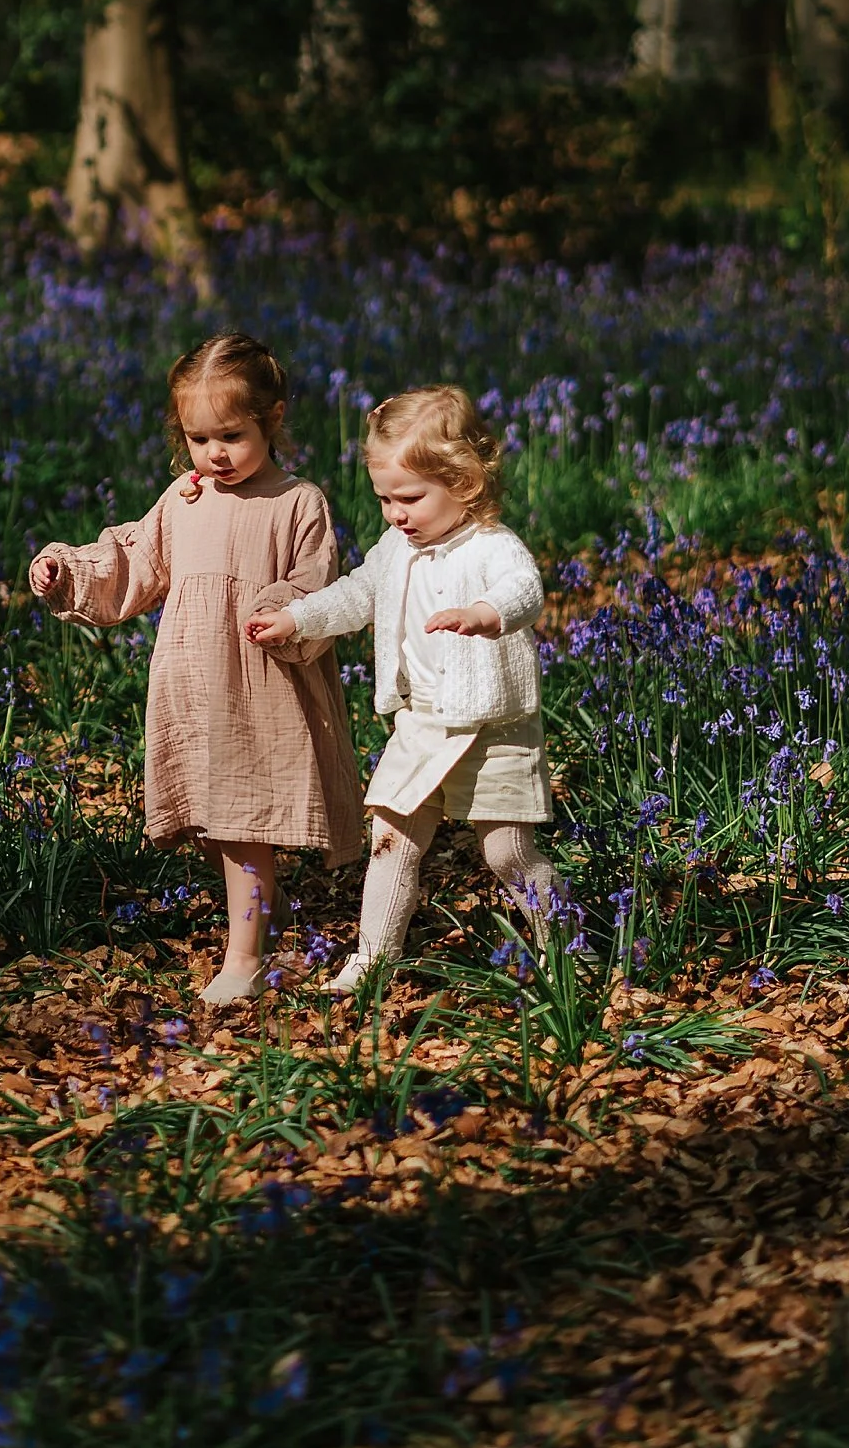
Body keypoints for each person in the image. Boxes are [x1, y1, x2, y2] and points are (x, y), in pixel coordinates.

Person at [28, 333, 362, 1007]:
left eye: (232, 436)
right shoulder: (185, 499)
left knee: (241, 824)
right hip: (195, 683)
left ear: (272, 420)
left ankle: (247, 960)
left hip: (261, 685)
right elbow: (134, 557)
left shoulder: (299, 502)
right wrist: (70, 568)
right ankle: (266, 917)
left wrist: (284, 609)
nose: (214, 454)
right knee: (211, 824)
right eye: (197, 438)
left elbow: (318, 579)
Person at [249, 383, 558, 994]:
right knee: (390, 838)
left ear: (464, 483)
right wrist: (298, 619)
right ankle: (372, 958)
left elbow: (527, 589)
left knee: (505, 855)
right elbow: (355, 595)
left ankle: (560, 946)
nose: (395, 513)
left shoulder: (492, 547)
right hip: (420, 722)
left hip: (493, 726)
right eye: (384, 498)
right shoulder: (395, 549)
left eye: (410, 498)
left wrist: (486, 613)